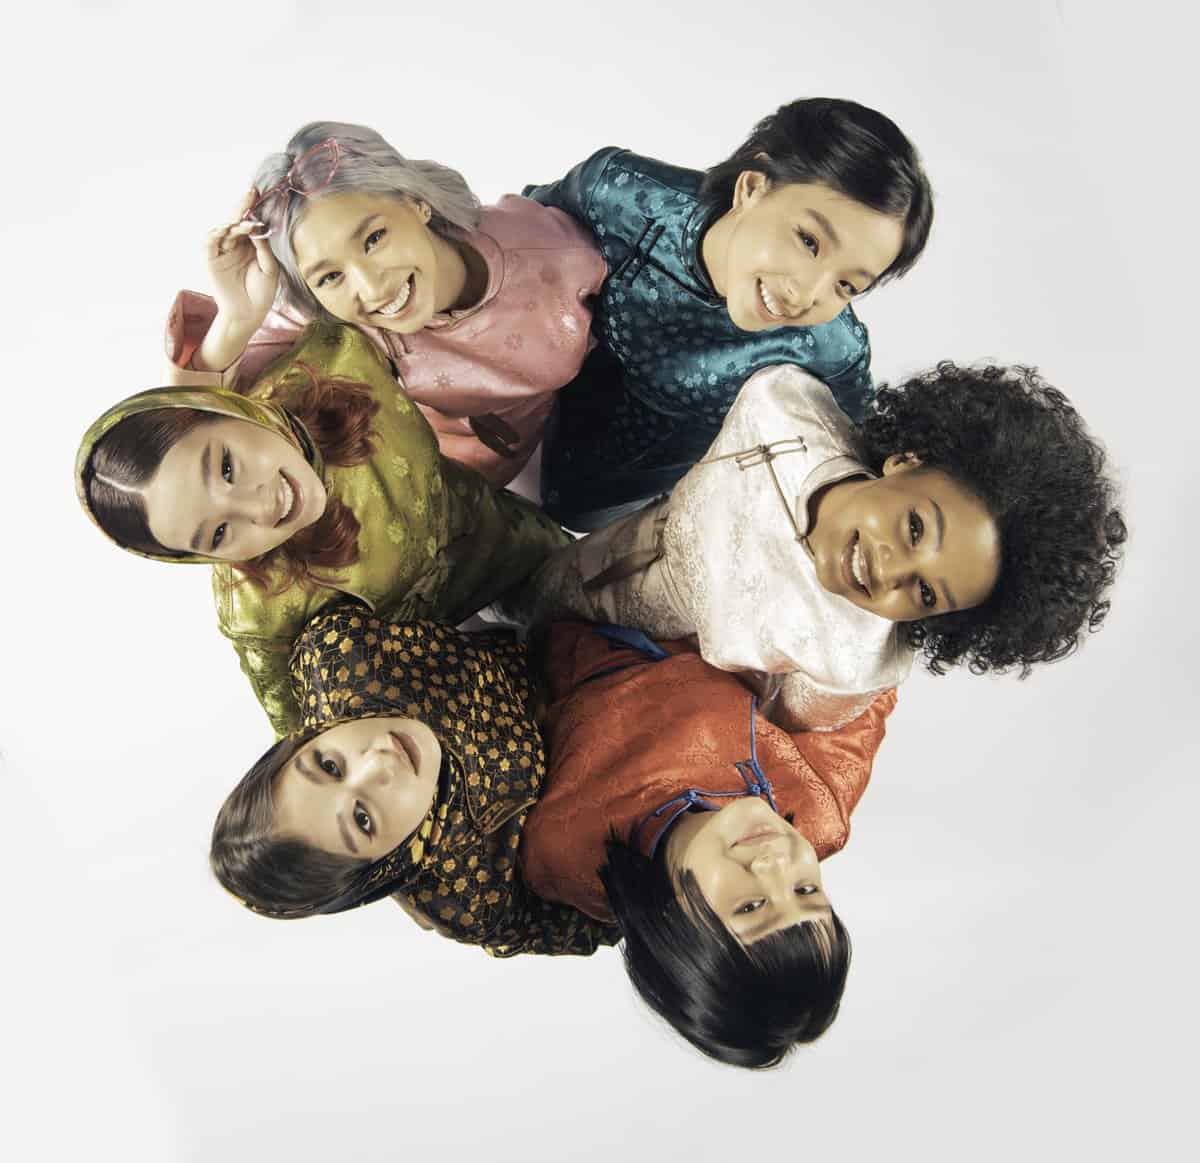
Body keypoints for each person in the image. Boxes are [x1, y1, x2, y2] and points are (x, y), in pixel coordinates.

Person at [210, 608, 894, 1067]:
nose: (776, 865)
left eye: (750, 906)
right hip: (693, 600)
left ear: (676, 930)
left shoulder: (564, 846)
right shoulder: (820, 804)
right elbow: (868, 677)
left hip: (564, 609)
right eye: (805, 889)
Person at [503, 361, 1127, 729]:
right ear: (907, 461)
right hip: (577, 554)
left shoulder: (855, 663)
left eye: (926, 593)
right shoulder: (785, 409)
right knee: (499, 582)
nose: (890, 571)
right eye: (914, 528)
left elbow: (761, 731)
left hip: (594, 680)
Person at [76, 323, 570, 736]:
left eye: (226, 467)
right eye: (220, 534)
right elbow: (304, 736)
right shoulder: (257, 612)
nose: (257, 505)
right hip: (447, 660)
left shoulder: (337, 358)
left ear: (231, 409)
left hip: (505, 534)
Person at [523, 97, 934, 527]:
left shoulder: (832, 351)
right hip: (500, 424)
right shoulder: (621, 191)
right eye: (809, 241)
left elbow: (854, 461)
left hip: (616, 520)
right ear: (751, 187)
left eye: (846, 285)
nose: (806, 293)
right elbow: (509, 249)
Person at [166, 120, 606, 485]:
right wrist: (239, 318)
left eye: (374, 239)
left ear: (416, 203)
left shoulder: (553, 253)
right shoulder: (318, 313)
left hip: (558, 459)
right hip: (429, 492)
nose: (372, 288)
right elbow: (189, 435)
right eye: (330, 275)